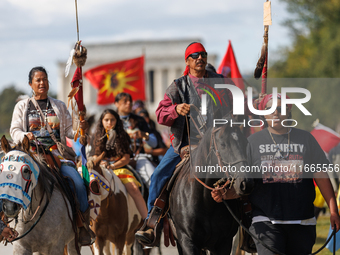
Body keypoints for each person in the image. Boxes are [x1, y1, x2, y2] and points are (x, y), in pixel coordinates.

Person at [212, 93, 340, 255]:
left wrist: (333, 211)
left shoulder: (306, 139)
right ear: (263, 113)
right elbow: (245, 181)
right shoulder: (251, 143)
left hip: (303, 223)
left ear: (288, 110)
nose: (276, 113)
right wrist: (225, 194)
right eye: (270, 109)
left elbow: (321, 177)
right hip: (265, 221)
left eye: (280, 108)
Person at [135, 42, 233, 245]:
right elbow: (161, 115)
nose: (200, 58)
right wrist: (176, 109)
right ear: (187, 61)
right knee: (159, 174)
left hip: (218, 142)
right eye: (195, 55)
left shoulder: (220, 81)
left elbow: (233, 106)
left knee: (243, 169)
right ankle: (151, 223)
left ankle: (250, 220)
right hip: (185, 145)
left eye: (203, 55)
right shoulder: (178, 85)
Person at [10, 66, 94, 245]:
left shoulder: (59, 105)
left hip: (56, 155)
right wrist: (25, 136)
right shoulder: (22, 106)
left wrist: (81, 129)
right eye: (38, 80)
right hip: (31, 155)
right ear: (30, 84)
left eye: (45, 79)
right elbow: (14, 130)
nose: (42, 83)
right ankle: (5, 220)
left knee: (79, 184)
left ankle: (82, 225)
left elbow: (69, 132)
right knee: (10, 180)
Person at [93, 109, 148, 219]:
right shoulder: (96, 137)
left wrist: (112, 166)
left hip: (120, 169)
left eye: (112, 120)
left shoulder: (123, 136)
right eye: (106, 120)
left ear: (117, 121)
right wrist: (100, 161)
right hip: (102, 170)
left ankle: (147, 222)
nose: (109, 123)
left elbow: (126, 158)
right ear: (102, 121)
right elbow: (94, 155)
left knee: (134, 188)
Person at [114, 92, 158, 186]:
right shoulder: (110, 120)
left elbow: (154, 143)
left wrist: (144, 135)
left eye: (130, 101)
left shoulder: (140, 120)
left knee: (154, 180)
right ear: (116, 104)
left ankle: (154, 200)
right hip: (114, 159)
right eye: (125, 101)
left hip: (139, 158)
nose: (129, 103)